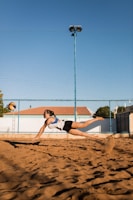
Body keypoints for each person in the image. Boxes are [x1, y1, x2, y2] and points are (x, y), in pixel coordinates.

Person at [33, 109, 105, 140]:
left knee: (83, 125)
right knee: (81, 134)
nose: (43, 114)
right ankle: (95, 137)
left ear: (48, 114)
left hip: (67, 123)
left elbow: (43, 128)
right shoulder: (49, 120)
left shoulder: (49, 120)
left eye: (44, 113)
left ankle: (97, 119)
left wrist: (38, 136)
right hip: (65, 128)